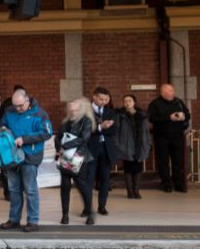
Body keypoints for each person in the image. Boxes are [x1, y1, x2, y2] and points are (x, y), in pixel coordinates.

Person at [0, 88, 52, 233]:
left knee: (30, 190)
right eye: (15, 106)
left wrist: (25, 139)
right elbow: (2, 126)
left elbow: (47, 133)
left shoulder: (39, 113)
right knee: (14, 190)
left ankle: (32, 221)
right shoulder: (9, 111)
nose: (18, 109)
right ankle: (14, 219)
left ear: (27, 101)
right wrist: (3, 132)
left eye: (21, 106)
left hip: (30, 156)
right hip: (11, 157)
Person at [55, 98, 96, 225]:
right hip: (65, 156)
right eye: (71, 105)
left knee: (82, 186)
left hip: (79, 157)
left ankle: (90, 213)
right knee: (65, 186)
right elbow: (58, 137)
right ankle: (65, 215)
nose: (72, 108)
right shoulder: (66, 121)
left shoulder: (86, 121)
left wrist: (65, 146)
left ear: (81, 108)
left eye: (75, 105)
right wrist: (58, 147)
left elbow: (84, 139)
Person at [148, 83, 191, 192]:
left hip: (177, 136)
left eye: (173, 90)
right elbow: (152, 118)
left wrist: (183, 117)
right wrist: (169, 117)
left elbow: (188, 114)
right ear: (163, 93)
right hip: (161, 137)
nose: (173, 93)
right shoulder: (155, 104)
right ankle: (166, 184)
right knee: (163, 161)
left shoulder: (178, 102)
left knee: (178, 161)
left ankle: (178, 183)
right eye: (170, 91)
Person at [112, 94, 151, 200]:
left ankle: (136, 190)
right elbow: (116, 131)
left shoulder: (142, 115)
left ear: (134, 102)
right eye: (125, 101)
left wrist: (147, 143)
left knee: (138, 168)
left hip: (139, 145)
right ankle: (129, 191)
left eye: (129, 100)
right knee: (128, 169)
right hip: (126, 145)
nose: (127, 103)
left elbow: (146, 131)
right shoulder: (120, 115)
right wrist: (117, 144)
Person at [89, 87, 117, 215]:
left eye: (106, 99)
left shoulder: (110, 111)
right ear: (94, 97)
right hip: (90, 149)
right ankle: (87, 207)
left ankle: (102, 206)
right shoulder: (85, 111)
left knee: (105, 180)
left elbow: (114, 130)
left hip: (106, 149)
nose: (103, 102)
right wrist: (101, 127)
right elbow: (84, 130)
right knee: (88, 179)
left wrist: (101, 129)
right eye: (101, 99)